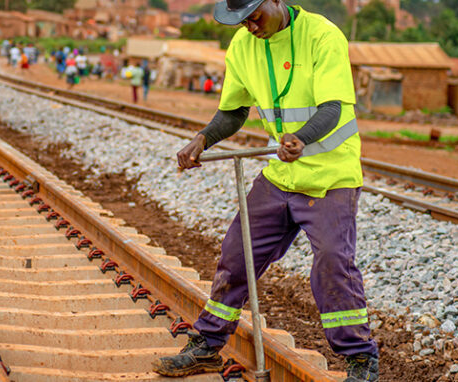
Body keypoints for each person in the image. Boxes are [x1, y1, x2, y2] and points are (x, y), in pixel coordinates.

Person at [152, 1, 379, 381]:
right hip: (280, 176)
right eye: (241, 21)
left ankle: (360, 359)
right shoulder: (243, 46)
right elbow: (234, 111)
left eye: (255, 16)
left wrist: (301, 139)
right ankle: (207, 346)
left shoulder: (322, 36)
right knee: (236, 255)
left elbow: (333, 107)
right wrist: (202, 139)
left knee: (332, 264)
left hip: (330, 177)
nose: (250, 27)